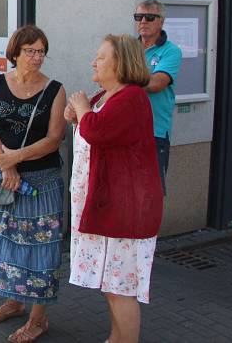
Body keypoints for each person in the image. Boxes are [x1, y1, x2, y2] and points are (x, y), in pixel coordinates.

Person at [65, 34, 163, 343]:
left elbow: (97, 130)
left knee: (121, 288)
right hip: (104, 206)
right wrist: (76, 117)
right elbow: (92, 130)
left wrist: (81, 111)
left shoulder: (131, 97)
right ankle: (115, 338)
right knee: (110, 285)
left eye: (101, 57)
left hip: (124, 210)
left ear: (120, 63)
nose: (93, 62)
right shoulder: (105, 96)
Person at [0, 25, 66, 343]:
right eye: (30, 50)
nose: (37, 57)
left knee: (40, 249)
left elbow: (54, 139)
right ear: (15, 52)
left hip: (40, 182)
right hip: (2, 178)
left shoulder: (55, 89)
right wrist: (5, 161)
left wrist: (14, 158)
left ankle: (38, 319)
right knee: (4, 242)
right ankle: (14, 301)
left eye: (41, 51)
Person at [134, 0, 183, 194]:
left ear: (161, 21)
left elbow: (156, 83)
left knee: (149, 194)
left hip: (155, 133)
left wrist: (125, 81)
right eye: (139, 17)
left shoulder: (171, 51)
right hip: (125, 130)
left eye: (150, 17)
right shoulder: (128, 48)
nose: (143, 21)